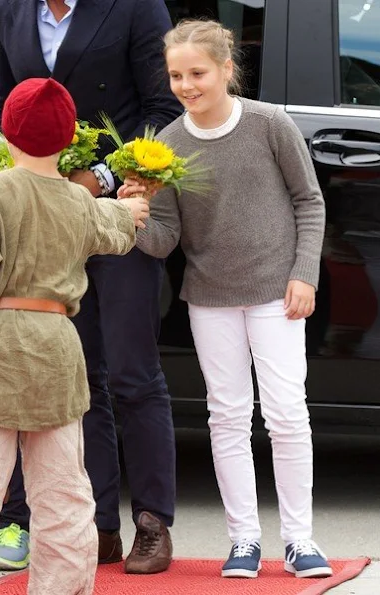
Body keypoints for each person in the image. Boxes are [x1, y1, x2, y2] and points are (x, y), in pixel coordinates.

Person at [119, 19, 333, 580]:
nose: (186, 85)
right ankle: (244, 541)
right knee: (228, 417)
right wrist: (134, 211)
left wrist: (304, 273)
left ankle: (299, 539)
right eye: (175, 76)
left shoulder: (268, 123)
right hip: (210, 297)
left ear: (226, 69)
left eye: (197, 73)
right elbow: (163, 240)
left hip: (275, 291)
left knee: (287, 413)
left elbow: (309, 202)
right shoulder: (165, 146)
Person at [0, 0, 182, 574]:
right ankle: (95, 528)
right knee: (74, 378)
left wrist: (101, 177)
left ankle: (151, 522)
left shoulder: (138, 6)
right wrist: (34, 171)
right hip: (40, 205)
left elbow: (161, 106)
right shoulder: (6, 8)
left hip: (115, 199)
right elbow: (6, 103)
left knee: (131, 372)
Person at [0, 77, 149, 595]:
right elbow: (115, 223)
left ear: (7, 131)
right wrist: (133, 208)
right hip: (58, 347)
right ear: (66, 139)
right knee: (63, 491)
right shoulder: (78, 202)